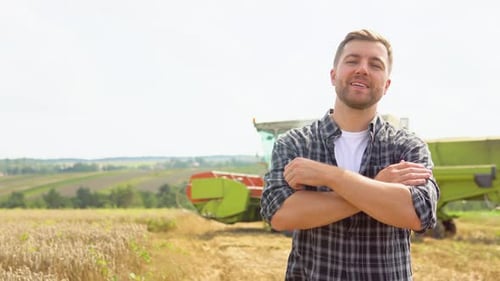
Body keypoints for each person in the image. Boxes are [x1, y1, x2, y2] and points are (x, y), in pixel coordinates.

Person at [260, 29, 440, 281]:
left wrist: (331, 177)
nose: (363, 69)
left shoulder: (408, 146)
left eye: (375, 64)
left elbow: (418, 214)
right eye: (352, 61)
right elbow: (280, 214)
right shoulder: (295, 144)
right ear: (333, 76)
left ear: (386, 84)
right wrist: (377, 188)